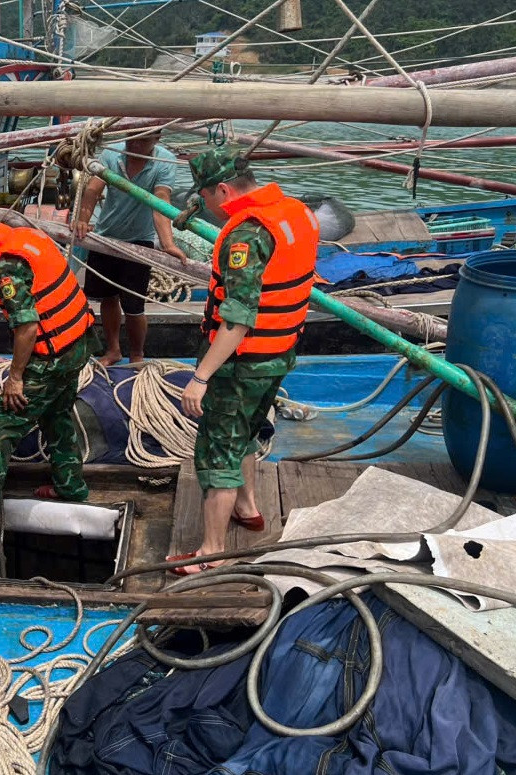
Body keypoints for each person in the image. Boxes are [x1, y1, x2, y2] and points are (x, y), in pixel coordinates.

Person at [170, 148, 318, 575]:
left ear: (222, 189)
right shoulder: (294, 212)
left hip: (241, 363)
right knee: (248, 432)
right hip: (279, 354)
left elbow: (237, 319)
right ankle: (248, 508)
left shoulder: (246, 236)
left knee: (218, 452)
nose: (211, 209)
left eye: (207, 198)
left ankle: (209, 555)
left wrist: (200, 377)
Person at [0, 211, 96, 521]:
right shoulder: (25, 236)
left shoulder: (5, 267)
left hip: (52, 356)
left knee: (1, 421)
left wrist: (15, 376)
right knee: (57, 415)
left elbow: (27, 327)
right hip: (78, 343)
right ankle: (70, 486)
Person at [72, 131, 187, 365]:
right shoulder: (112, 154)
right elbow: (94, 188)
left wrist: (168, 244)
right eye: (131, 137)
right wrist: (83, 218)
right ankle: (113, 350)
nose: (134, 143)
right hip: (106, 236)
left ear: (157, 139)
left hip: (140, 240)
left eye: (143, 139)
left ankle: (137, 354)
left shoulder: (163, 162)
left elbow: (161, 199)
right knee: (108, 297)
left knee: (134, 305)